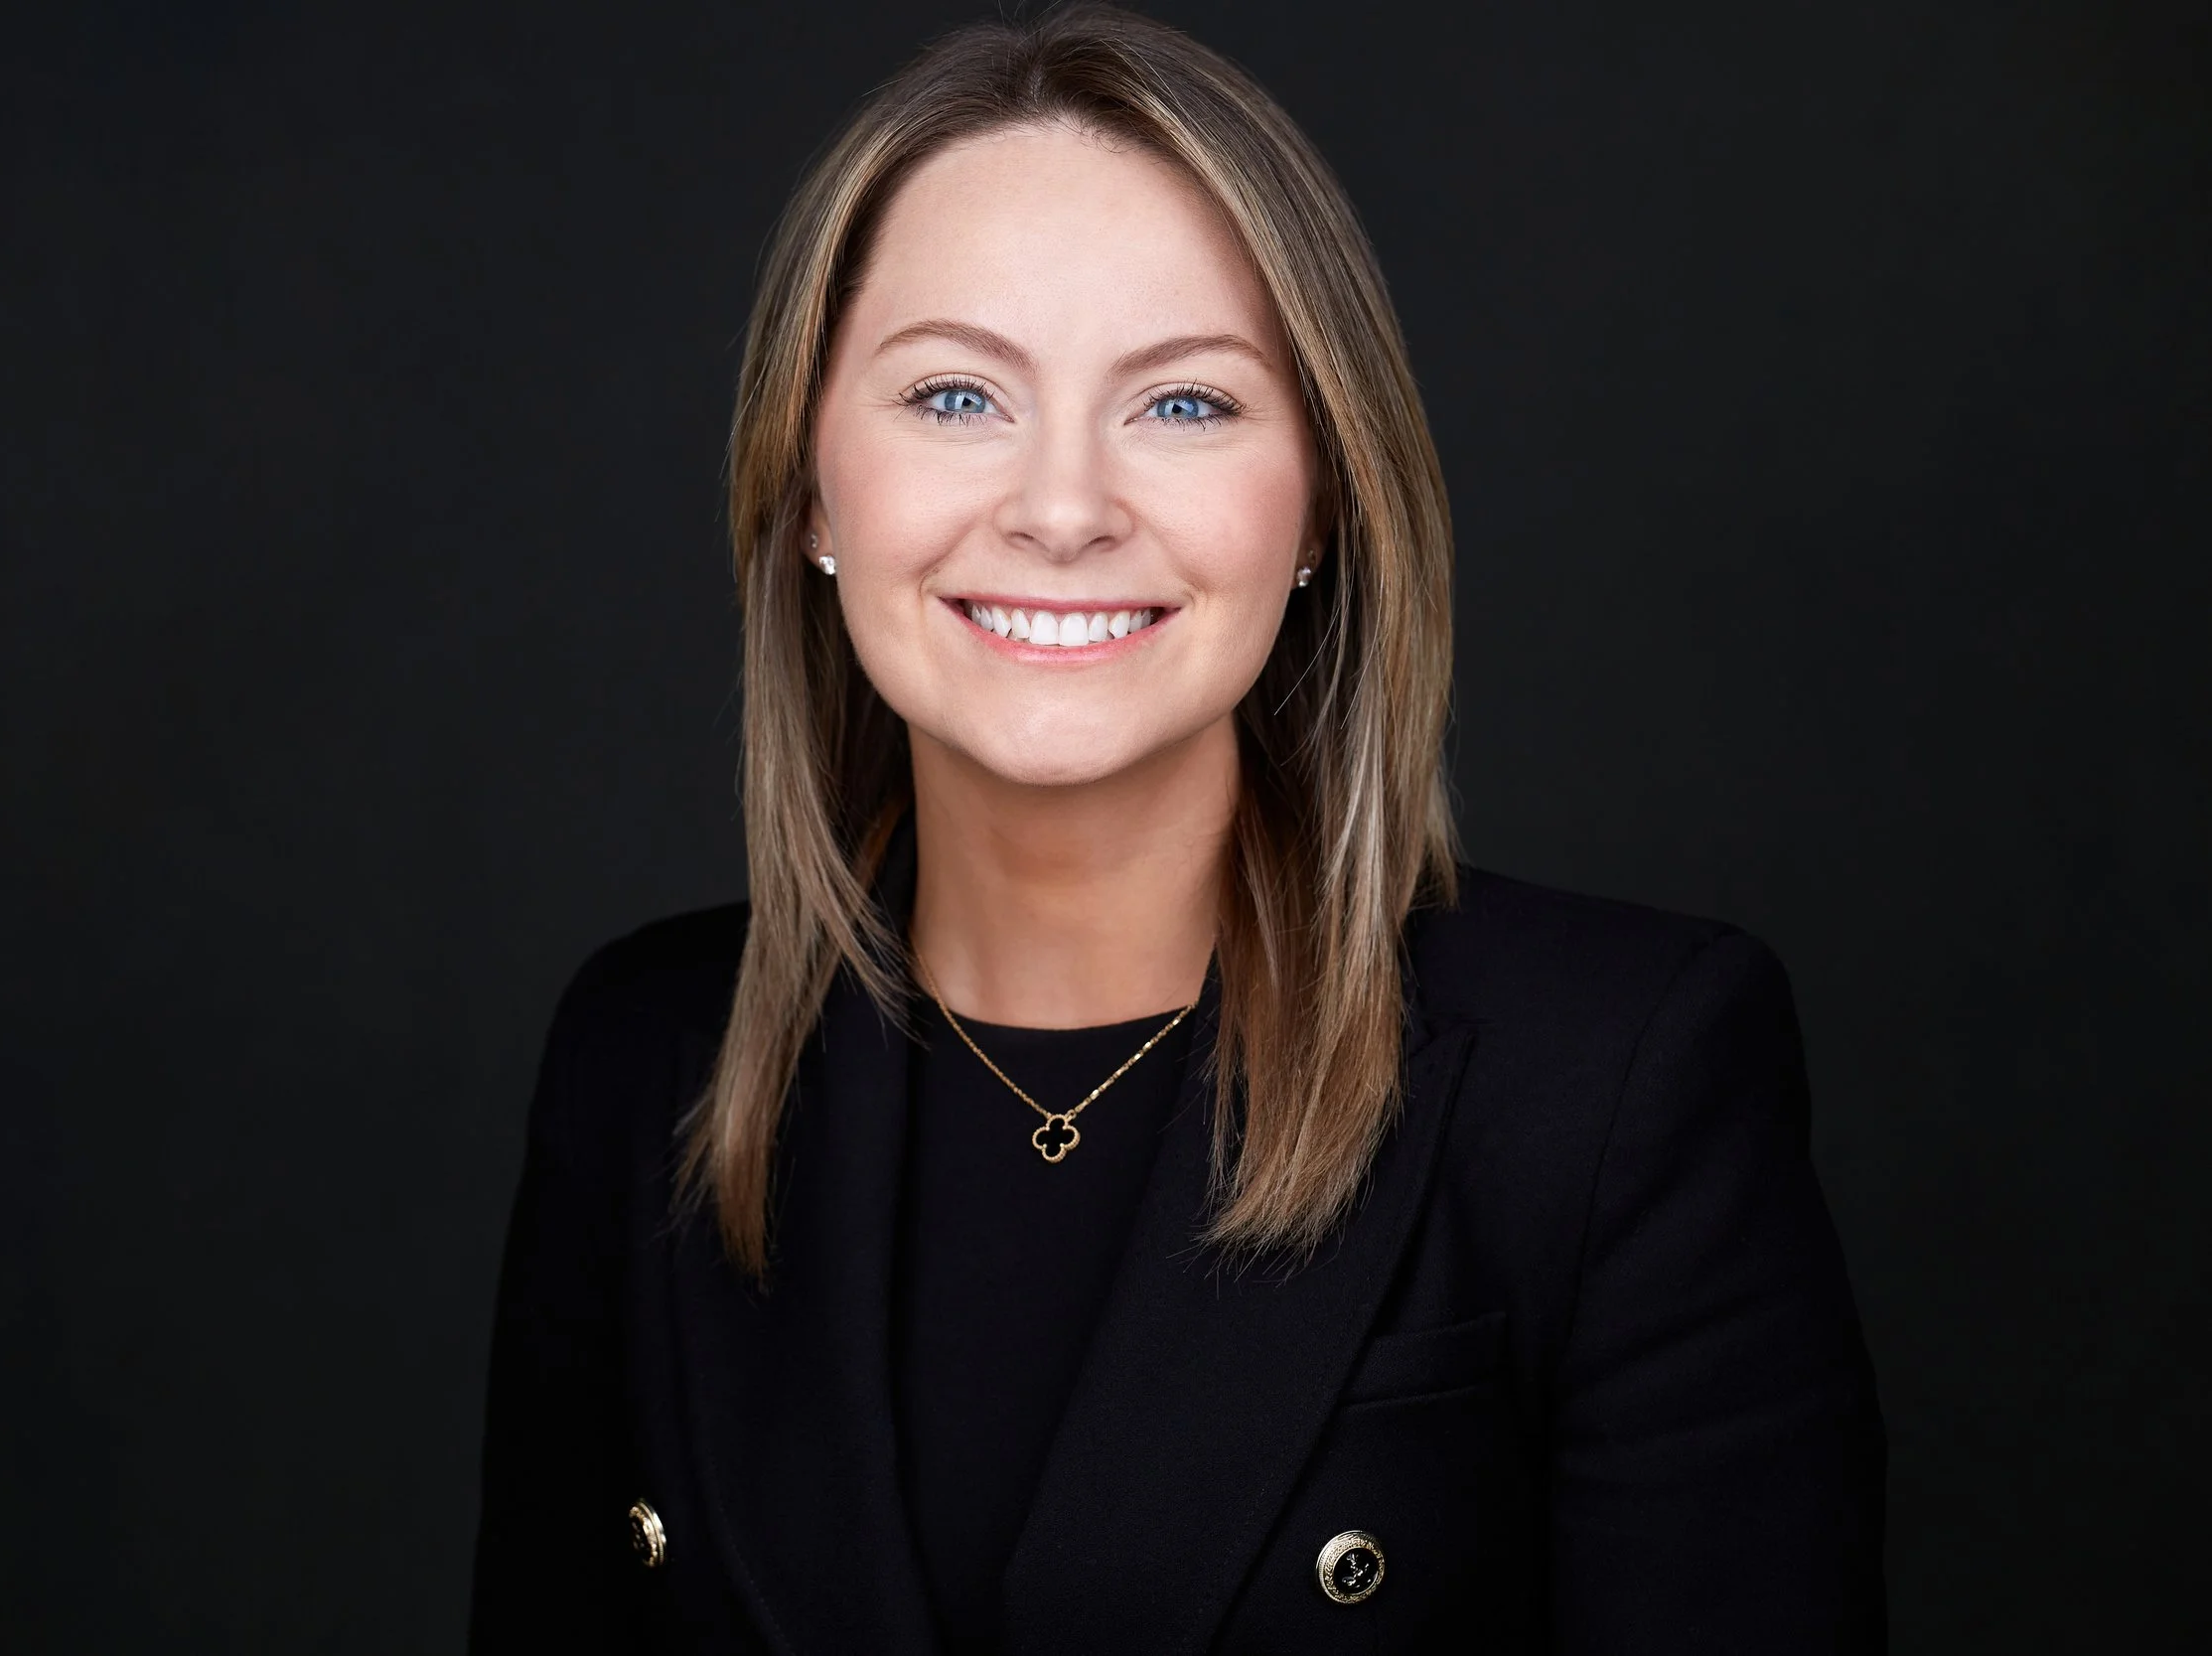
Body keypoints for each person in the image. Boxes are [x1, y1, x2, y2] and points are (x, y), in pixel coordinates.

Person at [469, 7, 1884, 1651]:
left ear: (1322, 506)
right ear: (808, 496)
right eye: (952, 394)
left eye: (1187, 406)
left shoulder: (1619, 1082)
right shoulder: (644, 1061)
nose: (1063, 508)